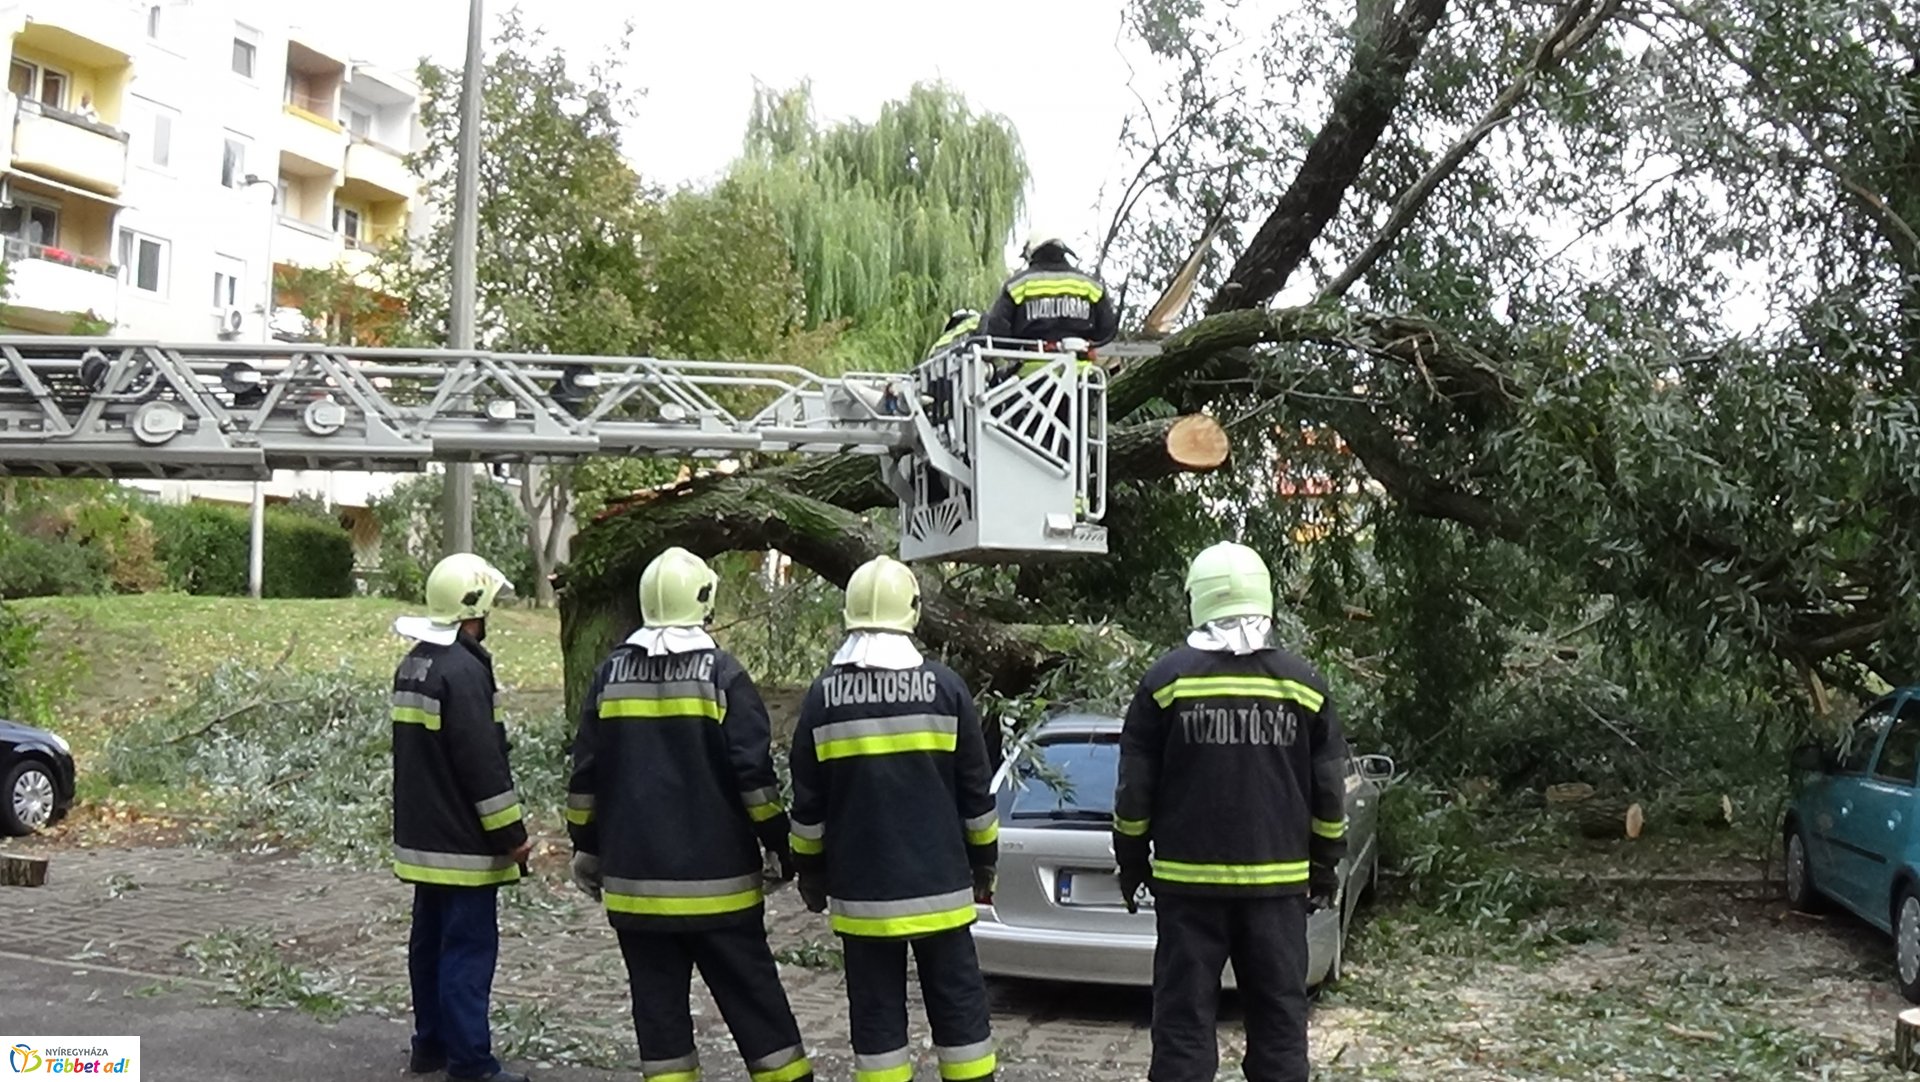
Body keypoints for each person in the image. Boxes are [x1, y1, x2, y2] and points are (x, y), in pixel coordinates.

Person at [567, 547, 813, 1082]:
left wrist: (585, 845)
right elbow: (754, 780)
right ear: (703, 600)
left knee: (660, 1023)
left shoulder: (611, 674)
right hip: (719, 889)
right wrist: (779, 842)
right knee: (758, 1010)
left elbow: (585, 777)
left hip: (635, 887)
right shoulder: (721, 674)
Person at [1111, 541, 1349, 1082]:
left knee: (1182, 1026)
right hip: (1278, 890)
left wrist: (1130, 862)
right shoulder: (1304, 685)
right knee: (1279, 1021)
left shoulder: (1166, 682)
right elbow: (1329, 793)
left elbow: (1134, 791)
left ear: (1198, 599)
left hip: (1187, 891)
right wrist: (1324, 865)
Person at [788, 555, 1000, 1082]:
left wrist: (811, 874)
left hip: (863, 900)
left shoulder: (823, 698)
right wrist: (984, 866)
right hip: (942, 895)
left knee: (877, 1021)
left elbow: (808, 809)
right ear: (912, 612)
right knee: (960, 1015)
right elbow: (977, 797)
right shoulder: (947, 689)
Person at [389, 552, 534, 1082]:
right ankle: (471, 1063)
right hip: (464, 847)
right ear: (474, 608)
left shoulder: (415, 663)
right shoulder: (465, 671)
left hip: (422, 839)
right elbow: (482, 763)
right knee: (466, 956)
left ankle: (429, 1047)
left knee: (428, 947)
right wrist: (513, 836)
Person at [981, 230, 1119, 347]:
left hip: (1030, 375)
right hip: (1081, 374)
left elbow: (997, 334)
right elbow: (1106, 332)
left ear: (1031, 252)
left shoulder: (1017, 286)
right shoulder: (1091, 286)